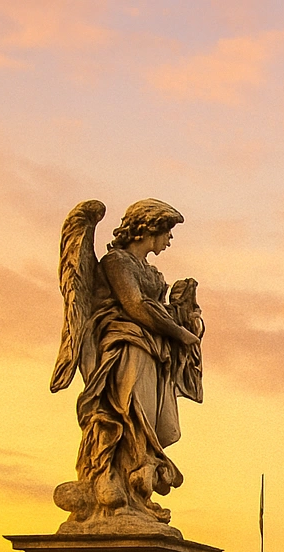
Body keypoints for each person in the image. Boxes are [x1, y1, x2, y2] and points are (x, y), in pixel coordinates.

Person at [52, 199, 205, 528]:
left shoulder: (151, 271)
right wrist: (179, 332)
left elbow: (155, 308)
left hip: (151, 352)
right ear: (150, 228)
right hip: (123, 348)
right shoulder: (116, 261)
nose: (169, 240)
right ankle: (110, 482)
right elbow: (135, 306)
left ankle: (136, 493)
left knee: (147, 421)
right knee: (126, 415)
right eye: (168, 232)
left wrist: (185, 315)